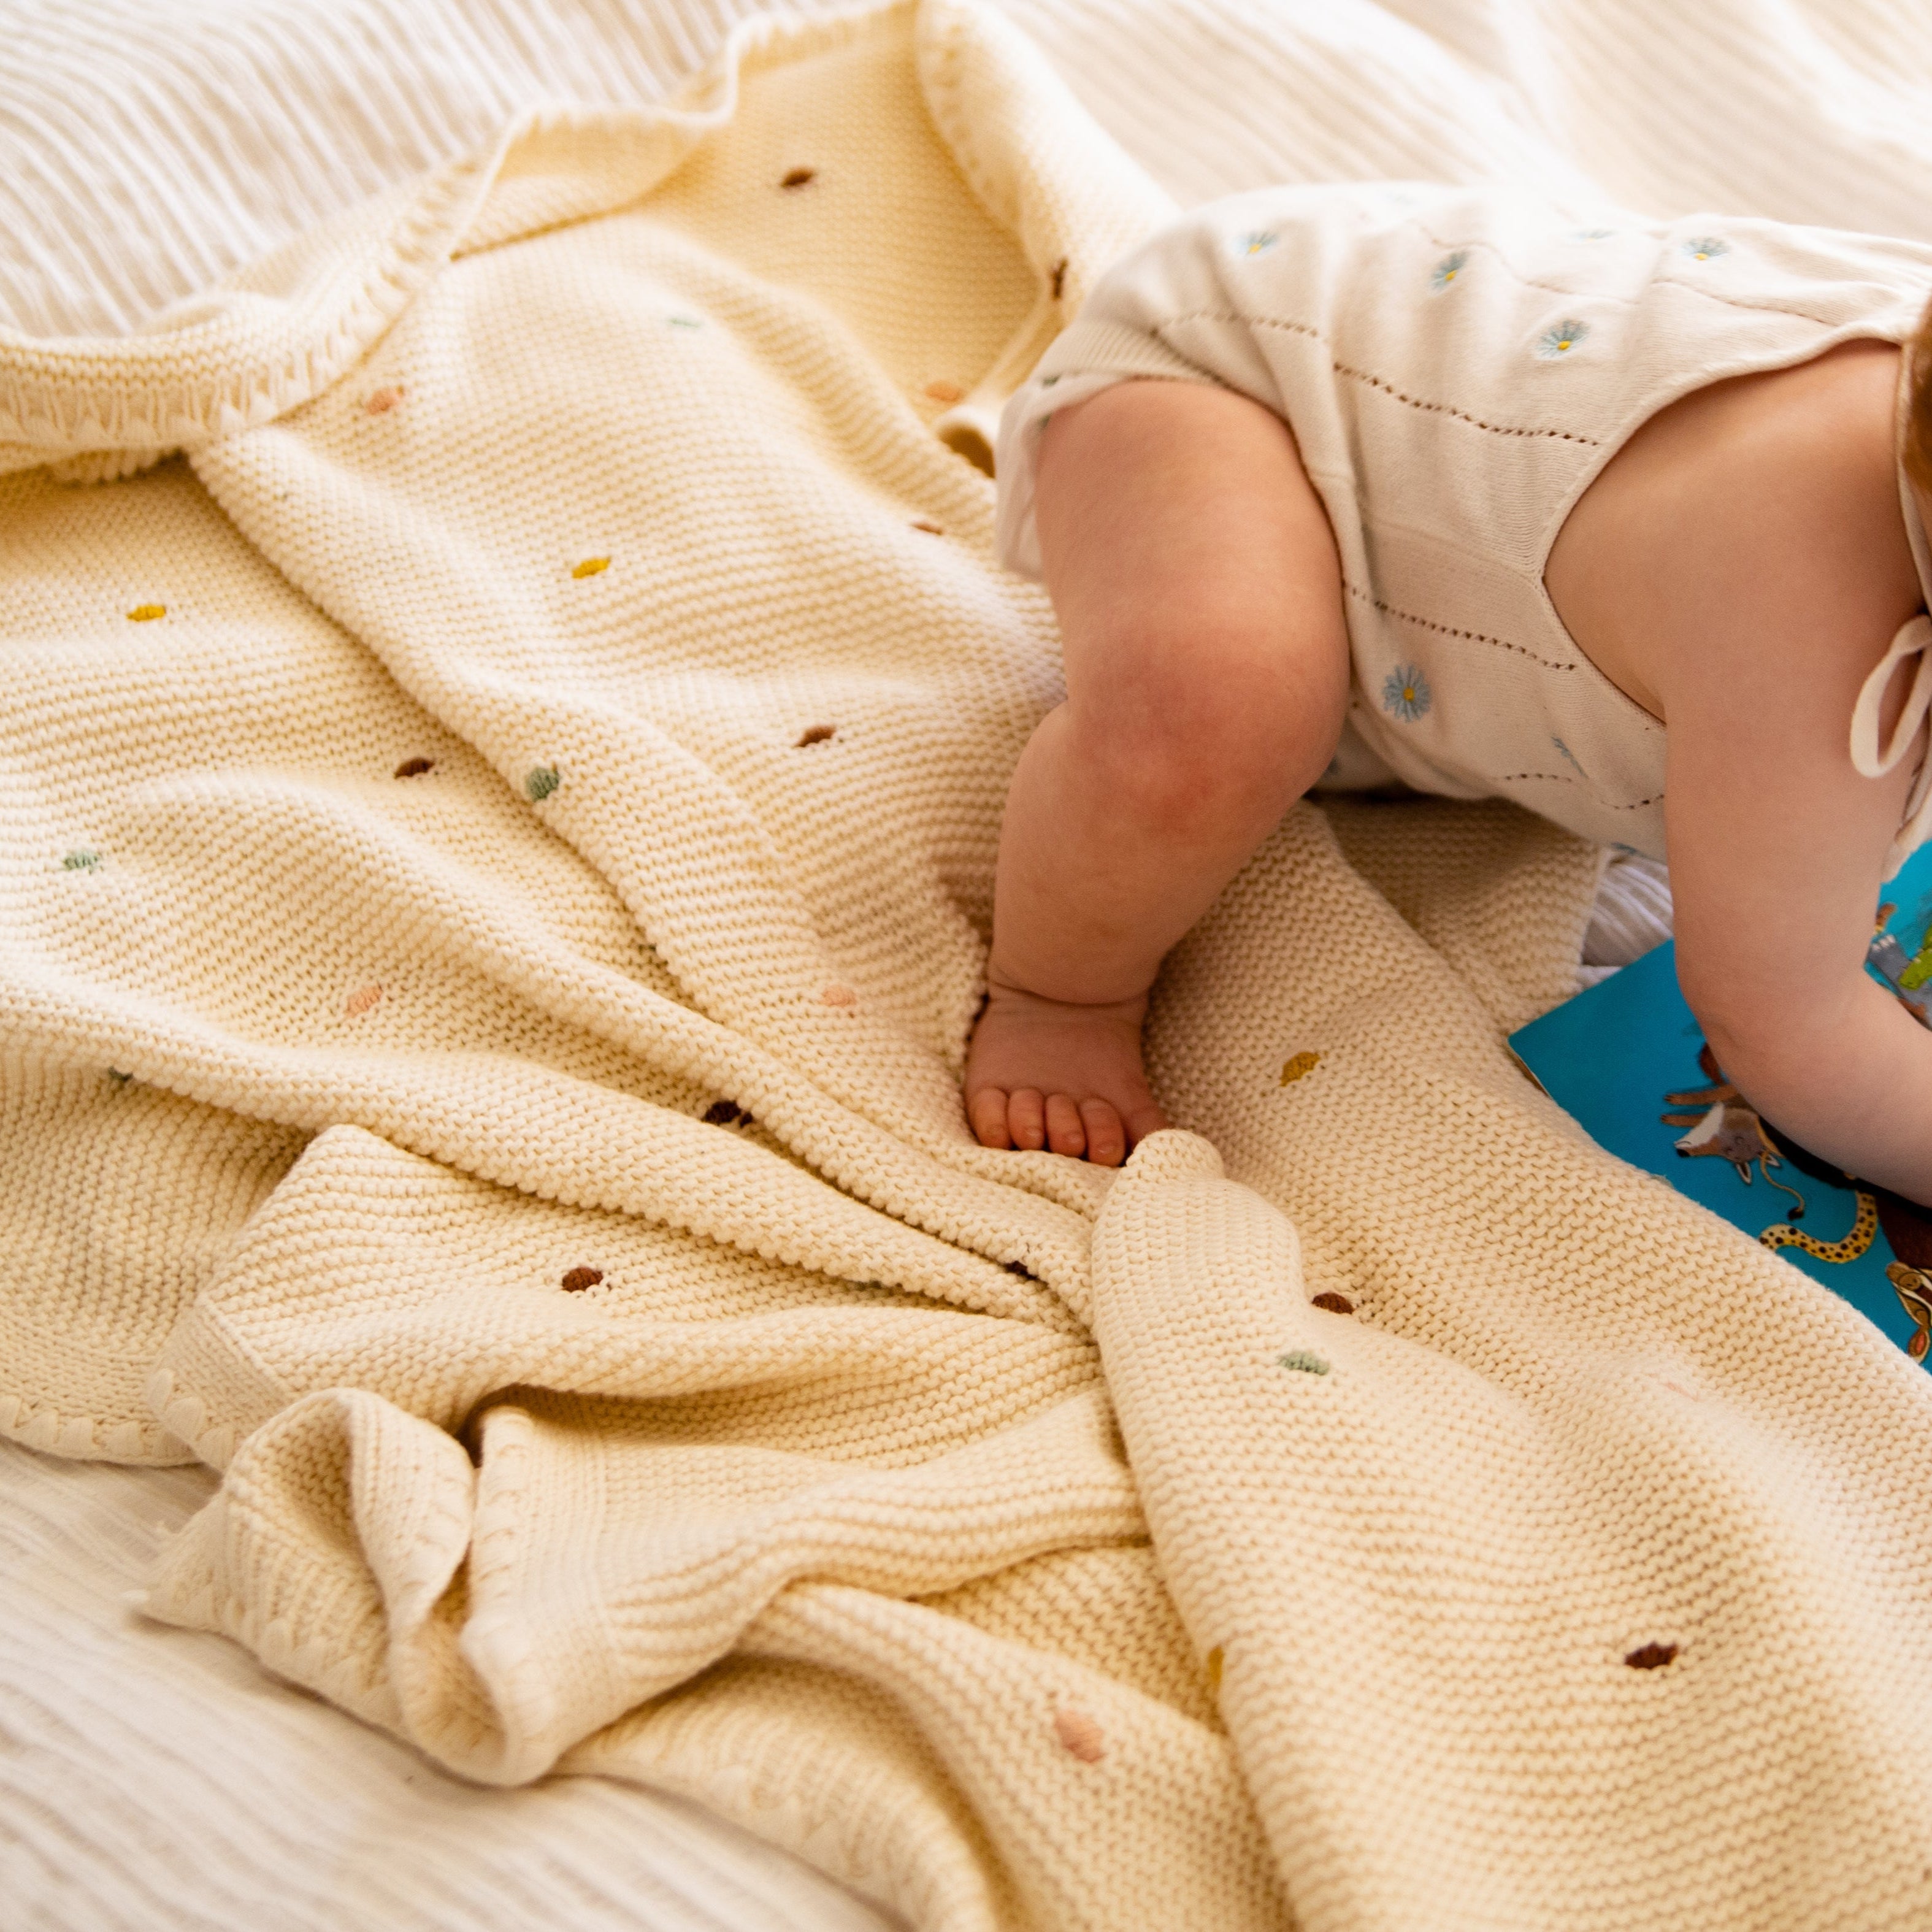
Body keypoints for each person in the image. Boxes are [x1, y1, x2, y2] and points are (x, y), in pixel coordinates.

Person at [964, 183, 1932, 1198]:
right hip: (1241, 379)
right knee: (1214, 716)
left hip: (1452, 446)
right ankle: (1056, 995)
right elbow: (1790, 1025)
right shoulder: (1797, 621)